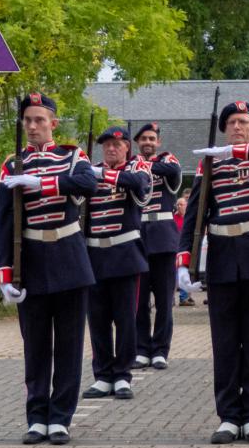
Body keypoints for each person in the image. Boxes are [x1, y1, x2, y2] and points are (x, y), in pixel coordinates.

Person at [177, 99, 249, 444]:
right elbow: (194, 215)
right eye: (232, 123)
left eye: (244, 122)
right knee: (225, 342)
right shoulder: (210, 165)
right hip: (223, 257)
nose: (237, 127)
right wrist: (185, 260)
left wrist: (238, 152)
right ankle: (228, 414)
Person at [0, 92, 98, 446]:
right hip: (32, 261)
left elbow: (89, 183)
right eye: (28, 120)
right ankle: (37, 416)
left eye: (40, 120)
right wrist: (4, 271)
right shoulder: (13, 165)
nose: (33, 126)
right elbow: (4, 221)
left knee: (69, 346)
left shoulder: (71, 157)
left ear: (54, 123)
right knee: (35, 345)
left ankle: (61, 418)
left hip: (69, 258)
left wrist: (44, 184)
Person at [81, 126, 152, 401]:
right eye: (107, 145)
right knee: (98, 320)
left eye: (116, 145)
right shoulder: (92, 172)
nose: (111, 149)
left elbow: (139, 186)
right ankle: (102, 375)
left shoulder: (137, 169)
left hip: (124, 255)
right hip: (95, 255)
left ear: (126, 149)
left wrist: (104, 175)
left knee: (125, 320)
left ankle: (122, 375)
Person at [133, 122, 182, 371]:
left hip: (163, 239)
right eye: (143, 139)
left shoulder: (167, 160)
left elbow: (172, 170)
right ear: (137, 142)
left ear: (158, 142)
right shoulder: (131, 165)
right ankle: (142, 348)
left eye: (152, 138)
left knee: (164, 300)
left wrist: (143, 166)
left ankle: (161, 349)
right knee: (139, 301)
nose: (148, 142)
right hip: (138, 239)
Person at [173, 197, 192, 306]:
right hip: (175, 249)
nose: (179, 206)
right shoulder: (173, 218)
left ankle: (185, 297)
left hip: (186, 249)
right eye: (178, 204)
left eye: (181, 204)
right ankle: (175, 298)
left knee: (186, 273)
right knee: (175, 274)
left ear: (186, 205)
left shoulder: (189, 218)